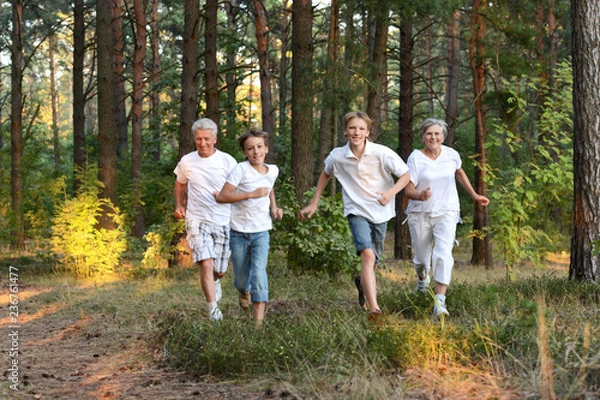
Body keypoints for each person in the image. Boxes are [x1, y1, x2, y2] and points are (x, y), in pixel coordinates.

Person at [300, 111, 410, 319]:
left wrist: (390, 193)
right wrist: (314, 203)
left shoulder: (381, 153)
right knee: (367, 255)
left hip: (381, 212)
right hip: (356, 210)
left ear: (368, 132)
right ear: (345, 131)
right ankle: (375, 310)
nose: (356, 132)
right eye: (352, 128)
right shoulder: (338, 156)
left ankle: (361, 281)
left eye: (361, 128)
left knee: (373, 261)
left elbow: (405, 175)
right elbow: (325, 173)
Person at [404, 118, 490, 317]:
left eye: (437, 133)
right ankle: (422, 280)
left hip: (447, 211)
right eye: (429, 134)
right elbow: (408, 188)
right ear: (423, 137)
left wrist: (475, 195)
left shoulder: (451, 155)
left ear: (443, 136)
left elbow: (459, 174)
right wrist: (419, 195)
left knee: (443, 253)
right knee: (422, 260)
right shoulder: (416, 157)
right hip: (420, 213)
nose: (433, 137)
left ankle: (440, 303)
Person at [215, 128, 283, 324]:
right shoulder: (240, 170)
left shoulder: (274, 171)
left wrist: (275, 208)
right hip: (238, 231)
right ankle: (243, 291)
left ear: (267, 149)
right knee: (242, 279)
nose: (256, 152)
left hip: (261, 231)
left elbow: (269, 188)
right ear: (244, 152)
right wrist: (250, 194)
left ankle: (258, 324)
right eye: (250, 148)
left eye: (260, 147)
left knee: (260, 271)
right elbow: (222, 196)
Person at [173, 118, 237, 322]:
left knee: (219, 269)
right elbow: (180, 184)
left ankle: (216, 281)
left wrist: (225, 194)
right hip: (196, 219)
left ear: (215, 139)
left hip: (222, 220)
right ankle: (213, 309)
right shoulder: (187, 161)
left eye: (206, 139)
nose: (202, 143)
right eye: (198, 139)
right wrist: (179, 205)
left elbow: (238, 187)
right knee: (206, 264)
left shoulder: (227, 161)